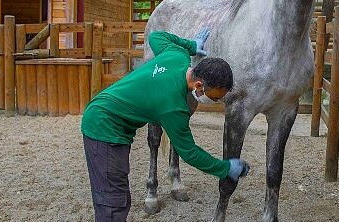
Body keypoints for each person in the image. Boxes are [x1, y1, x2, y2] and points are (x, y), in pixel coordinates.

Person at [81, 28, 250, 221]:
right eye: (215, 97)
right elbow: (189, 152)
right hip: (104, 126)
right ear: (199, 85)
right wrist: (225, 168)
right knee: (112, 202)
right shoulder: (174, 108)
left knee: (118, 194)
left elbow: (156, 36)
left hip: (107, 115)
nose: (217, 101)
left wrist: (191, 45)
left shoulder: (178, 55)